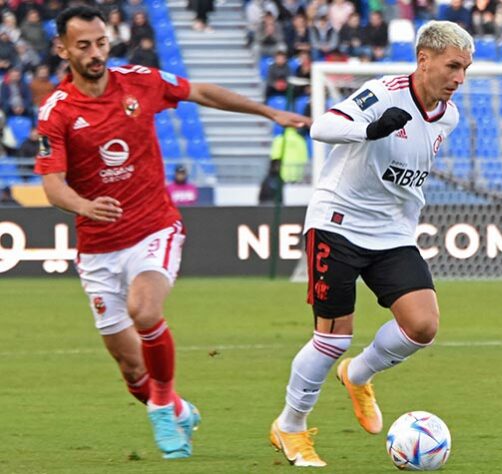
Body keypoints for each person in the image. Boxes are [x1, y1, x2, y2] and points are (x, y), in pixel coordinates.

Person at [35, 6, 310, 460]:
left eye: (101, 42)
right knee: (130, 368)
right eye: (83, 46)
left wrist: (266, 112)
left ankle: (163, 407)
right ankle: (176, 406)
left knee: (144, 311)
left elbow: (201, 91)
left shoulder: (139, 81)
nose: (96, 53)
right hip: (98, 248)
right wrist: (85, 206)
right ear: (62, 49)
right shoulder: (57, 112)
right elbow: (51, 184)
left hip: (153, 228)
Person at [268, 20, 473, 467]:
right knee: (332, 338)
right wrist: (370, 130)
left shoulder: (450, 115)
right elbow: (323, 126)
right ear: (424, 59)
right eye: (452, 66)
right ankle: (291, 426)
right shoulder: (383, 91)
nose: (459, 78)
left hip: (393, 233)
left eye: (465, 69)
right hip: (338, 222)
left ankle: (358, 374)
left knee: (422, 326)